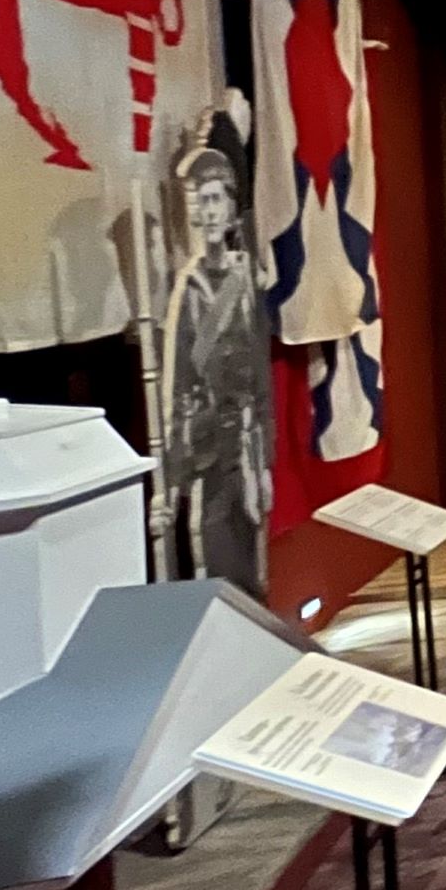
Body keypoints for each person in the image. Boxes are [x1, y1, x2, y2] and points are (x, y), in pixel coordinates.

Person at [163, 144, 268, 587]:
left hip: (247, 442)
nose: (207, 212)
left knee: (253, 560)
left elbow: (262, 378)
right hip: (207, 447)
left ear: (228, 208)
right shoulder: (188, 289)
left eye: (215, 200)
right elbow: (177, 385)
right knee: (214, 553)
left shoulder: (248, 282)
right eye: (200, 201)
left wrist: (266, 462)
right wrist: (171, 480)